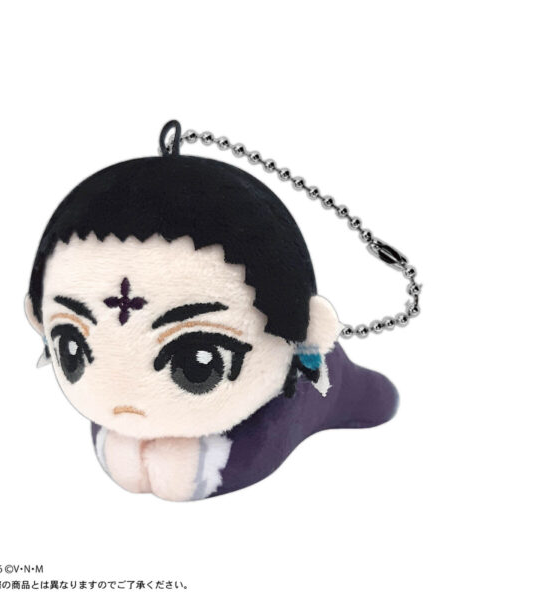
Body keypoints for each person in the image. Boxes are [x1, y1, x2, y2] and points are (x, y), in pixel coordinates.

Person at [25, 152, 398, 501]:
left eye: (197, 363)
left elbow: (268, 440)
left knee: (379, 398)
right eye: (71, 348)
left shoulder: (292, 386)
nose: (126, 395)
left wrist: (203, 469)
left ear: (307, 331)